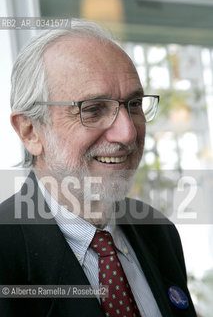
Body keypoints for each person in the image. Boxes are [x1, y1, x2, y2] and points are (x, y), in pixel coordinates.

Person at [0, 19, 197, 317]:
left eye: (133, 104)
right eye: (92, 109)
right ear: (30, 131)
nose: (128, 133)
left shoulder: (159, 233)